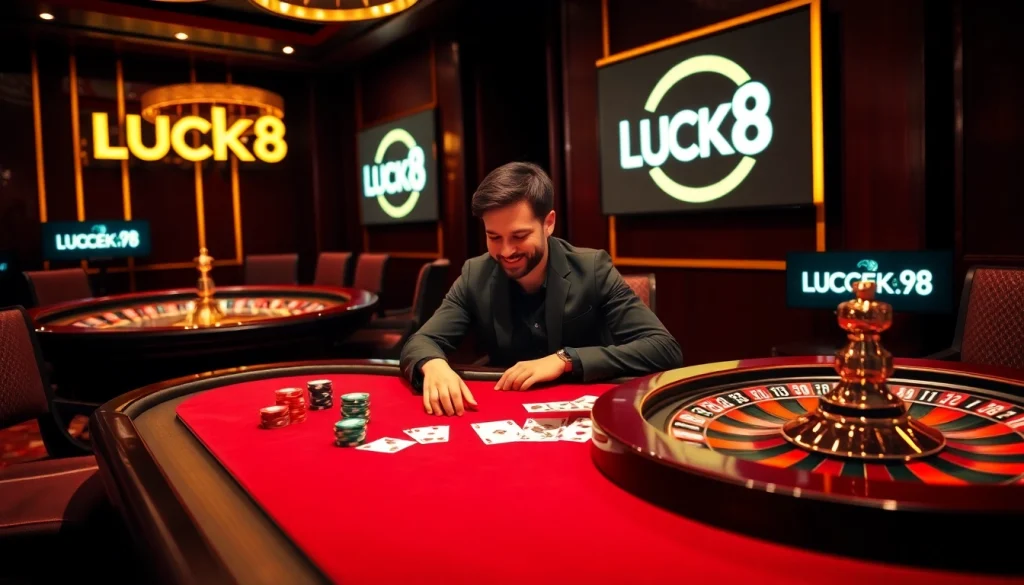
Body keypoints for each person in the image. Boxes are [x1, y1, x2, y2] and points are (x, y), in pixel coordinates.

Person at [400, 162, 683, 416]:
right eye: (494, 237)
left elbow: (663, 348)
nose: (506, 251)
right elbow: (420, 341)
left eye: (519, 236)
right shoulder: (475, 275)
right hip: (507, 410)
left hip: (586, 410)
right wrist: (433, 364)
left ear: (548, 223)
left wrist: (566, 359)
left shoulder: (593, 269)